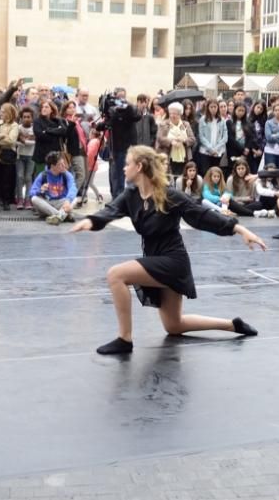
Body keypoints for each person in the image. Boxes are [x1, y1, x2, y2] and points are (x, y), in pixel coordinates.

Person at [70, 145, 265, 355]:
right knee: (174, 326)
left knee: (115, 275)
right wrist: (92, 220)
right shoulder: (131, 195)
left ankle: (124, 339)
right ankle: (232, 325)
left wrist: (240, 229)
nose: (124, 168)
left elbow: (200, 215)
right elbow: (111, 210)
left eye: (127, 164)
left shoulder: (169, 195)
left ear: (140, 166)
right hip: (156, 259)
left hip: (173, 261)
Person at [104, 88, 141, 198]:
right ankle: (117, 196)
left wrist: (127, 106)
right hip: (116, 146)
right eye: (118, 97)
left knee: (129, 172)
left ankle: (126, 196)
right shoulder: (112, 110)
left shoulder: (129, 110)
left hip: (128, 145)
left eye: (123, 97)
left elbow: (137, 116)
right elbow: (107, 122)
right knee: (116, 173)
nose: (121, 99)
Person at [29, 151, 78, 224]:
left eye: (63, 163)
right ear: (52, 166)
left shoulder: (66, 174)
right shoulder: (43, 175)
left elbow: (73, 188)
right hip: (47, 204)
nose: (64, 166)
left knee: (75, 198)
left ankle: (58, 216)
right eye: (60, 164)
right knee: (34, 199)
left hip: (61, 203)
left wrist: (68, 200)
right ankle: (62, 215)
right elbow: (32, 192)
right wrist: (40, 190)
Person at [0, 103, 19, 211]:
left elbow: (11, 140)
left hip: (7, 156)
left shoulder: (14, 125)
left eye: (3, 111)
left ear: (9, 113)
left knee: (6, 180)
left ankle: (6, 201)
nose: (1, 113)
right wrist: (1, 137)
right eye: (0, 111)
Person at [156, 102, 196, 178]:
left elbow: (192, 139)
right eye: (171, 113)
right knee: (170, 177)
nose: (173, 115)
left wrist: (183, 140)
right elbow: (159, 138)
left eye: (175, 113)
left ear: (180, 114)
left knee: (182, 178)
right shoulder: (164, 124)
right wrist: (171, 141)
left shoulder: (185, 124)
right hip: (168, 155)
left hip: (184, 157)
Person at [32, 100, 68, 176]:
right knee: (42, 178)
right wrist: (56, 132)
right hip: (41, 156)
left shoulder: (57, 121)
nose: (43, 109)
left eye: (46, 107)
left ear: (52, 109)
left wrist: (47, 130)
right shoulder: (37, 121)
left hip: (55, 156)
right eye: (42, 107)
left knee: (54, 179)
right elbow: (40, 135)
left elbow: (64, 131)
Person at [197, 99, 228, 176]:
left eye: (215, 107)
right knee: (206, 172)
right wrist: (210, 149)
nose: (213, 109)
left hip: (217, 152)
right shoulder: (203, 119)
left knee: (215, 173)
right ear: (208, 108)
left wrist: (216, 149)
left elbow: (225, 137)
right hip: (205, 151)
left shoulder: (222, 120)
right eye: (211, 107)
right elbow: (201, 136)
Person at [14, 107, 36, 209]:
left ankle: (28, 200)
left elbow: (35, 143)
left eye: (29, 117)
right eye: (24, 117)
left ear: (32, 118)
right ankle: (20, 199)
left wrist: (23, 141)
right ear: (21, 118)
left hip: (31, 156)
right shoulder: (18, 128)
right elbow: (14, 141)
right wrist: (24, 141)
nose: (26, 119)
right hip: (20, 156)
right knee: (19, 177)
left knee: (28, 178)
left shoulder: (34, 128)